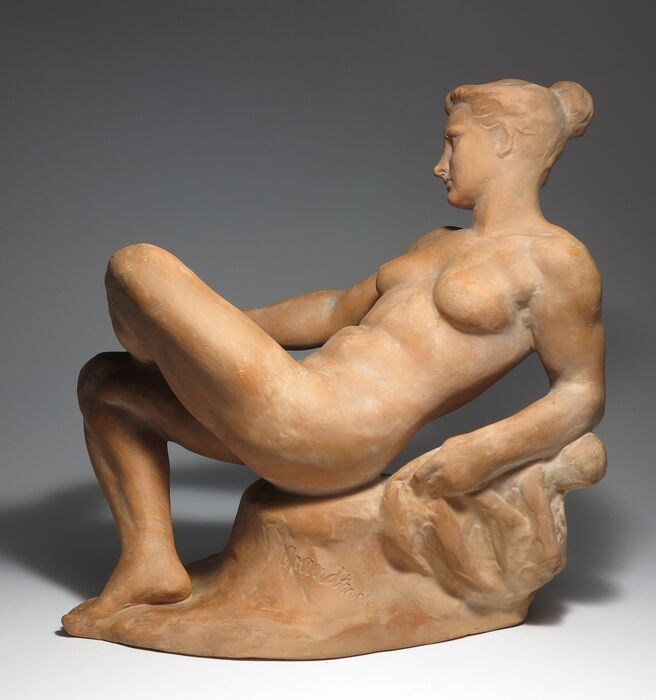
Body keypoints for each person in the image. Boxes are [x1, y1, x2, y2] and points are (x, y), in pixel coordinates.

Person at [64, 78, 605, 629]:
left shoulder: (556, 261)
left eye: (454, 141)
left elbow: (581, 390)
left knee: (137, 264)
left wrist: (479, 453)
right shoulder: (438, 241)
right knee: (109, 385)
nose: (439, 164)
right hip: (293, 403)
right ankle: (150, 561)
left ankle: (146, 337)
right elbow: (332, 311)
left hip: (336, 435)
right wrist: (198, 329)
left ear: (505, 141)